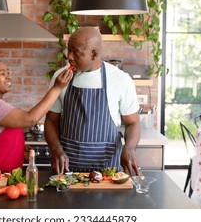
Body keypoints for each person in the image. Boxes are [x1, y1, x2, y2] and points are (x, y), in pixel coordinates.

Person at [44, 27, 142, 176]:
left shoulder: (120, 80)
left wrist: (129, 149)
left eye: (75, 53)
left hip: (108, 172)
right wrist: (56, 150)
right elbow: (51, 121)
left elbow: (133, 123)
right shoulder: (60, 78)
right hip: (68, 172)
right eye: (68, 51)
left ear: (94, 54)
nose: (69, 57)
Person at [0, 58, 73, 172]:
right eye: (3, 74)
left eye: (8, 73)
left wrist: (18, 149)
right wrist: (57, 87)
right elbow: (30, 119)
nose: (9, 77)